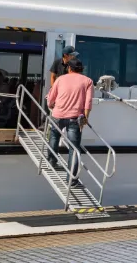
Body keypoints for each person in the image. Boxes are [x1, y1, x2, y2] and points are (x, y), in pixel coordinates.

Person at [46, 58, 93, 186]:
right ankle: (71, 179)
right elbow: (88, 103)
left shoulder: (60, 79)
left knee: (54, 136)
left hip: (58, 114)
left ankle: (51, 160)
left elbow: (51, 97)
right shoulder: (88, 81)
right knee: (74, 148)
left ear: (69, 68)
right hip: (75, 118)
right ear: (81, 69)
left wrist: (51, 105)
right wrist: (85, 118)